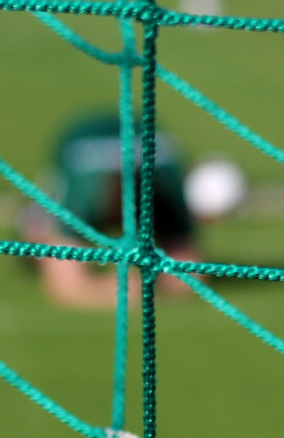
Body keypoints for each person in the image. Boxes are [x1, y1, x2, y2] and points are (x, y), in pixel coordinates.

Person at [19, 113, 200, 307]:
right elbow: (64, 285)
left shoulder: (166, 183)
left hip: (147, 184)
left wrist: (147, 283)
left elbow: (190, 275)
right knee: (36, 238)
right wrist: (111, 288)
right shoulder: (82, 191)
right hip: (76, 171)